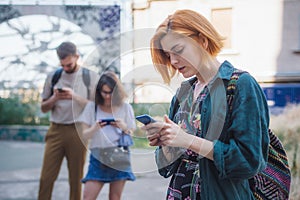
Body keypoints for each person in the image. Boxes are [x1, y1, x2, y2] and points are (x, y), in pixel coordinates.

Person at [144, 9, 270, 199]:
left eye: (178, 50)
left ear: (202, 40)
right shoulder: (183, 93)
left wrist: (187, 140)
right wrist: (166, 142)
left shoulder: (241, 85)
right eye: (168, 55)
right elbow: (165, 167)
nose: (174, 61)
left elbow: (248, 162)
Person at [38, 41, 98, 200]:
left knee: (76, 179)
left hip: (78, 130)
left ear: (77, 57)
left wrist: (74, 96)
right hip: (56, 130)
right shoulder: (53, 76)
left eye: (69, 64)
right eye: (62, 65)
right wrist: (54, 98)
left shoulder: (89, 76)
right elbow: (43, 108)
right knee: (46, 178)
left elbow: (96, 107)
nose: (65, 68)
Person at [77, 71, 136, 200]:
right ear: (99, 91)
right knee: (88, 196)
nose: (108, 96)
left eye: (111, 92)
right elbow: (84, 135)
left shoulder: (125, 107)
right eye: (105, 92)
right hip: (98, 156)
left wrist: (123, 127)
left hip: (120, 156)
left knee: (115, 197)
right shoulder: (92, 107)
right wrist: (95, 128)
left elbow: (131, 132)